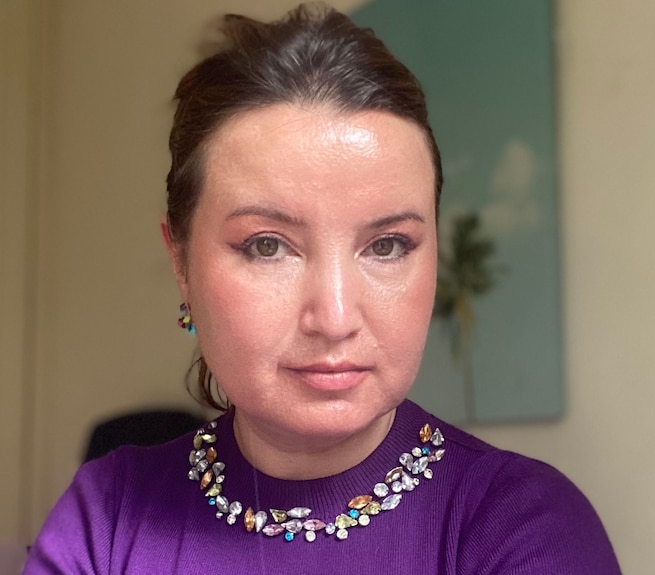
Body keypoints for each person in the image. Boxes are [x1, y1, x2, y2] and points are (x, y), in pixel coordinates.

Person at [24, 4, 621, 573]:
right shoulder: (108, 514)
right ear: (180, 261)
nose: (334, 318)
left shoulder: (524, 526)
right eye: (267, 245)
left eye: (387, 245)